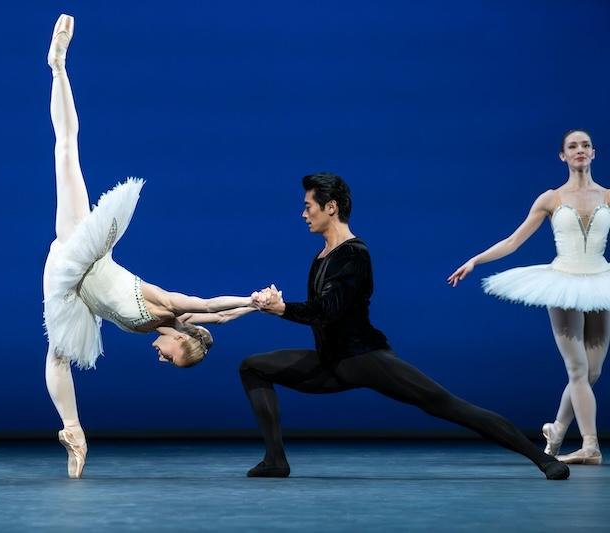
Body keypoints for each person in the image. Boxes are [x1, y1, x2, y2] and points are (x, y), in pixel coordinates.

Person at [241, 172, 569, 480]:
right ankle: (275, 460)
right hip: (330, 361)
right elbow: (318, 311)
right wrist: (260, 306)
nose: (303, 214)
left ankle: (543, 459)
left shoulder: (354, 254)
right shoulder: (321, 257)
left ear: (331, 207)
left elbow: (328, 311)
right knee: (254, 367)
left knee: (448, 405)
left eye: (308, 206)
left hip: (364, 359)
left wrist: (282, 309)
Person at [43, 14, 256, 478]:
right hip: (84, 253)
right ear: (180, 339)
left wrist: (252, 309)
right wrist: (253, 300)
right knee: (67, 149)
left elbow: (217, 318)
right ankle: (58, 66)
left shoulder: (162, 326)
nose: (162, 359)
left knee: (59, 353)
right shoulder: (164, 306)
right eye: (173, 357)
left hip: (76, 286)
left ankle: (73, 433)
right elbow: (209, 304)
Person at [449, 130, 610, 465]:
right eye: (572, 147)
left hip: (600, 280)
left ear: (593, 153)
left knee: (591, 372)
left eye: (584, 146)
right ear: (562, 156)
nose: (579, 150)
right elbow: (513, 241)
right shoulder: (550, 199)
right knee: (578, 368)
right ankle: (591, 446)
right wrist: (475, 260)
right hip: (564, 282)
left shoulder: (608, 196)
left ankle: (557, 429)